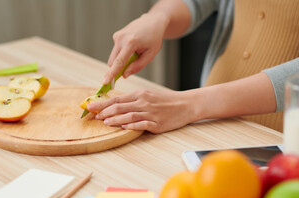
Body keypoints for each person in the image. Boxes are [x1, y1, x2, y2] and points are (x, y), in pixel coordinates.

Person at [87, 0, 299, 133]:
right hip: (208, 122)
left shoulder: (192, 106)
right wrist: (158, 17)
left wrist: (189, 105)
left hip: (282, 140)